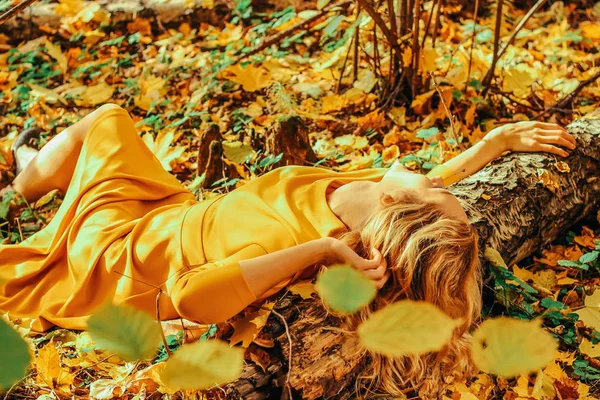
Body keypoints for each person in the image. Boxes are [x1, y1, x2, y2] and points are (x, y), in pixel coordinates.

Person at [0, 104, 575, 392]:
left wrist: (313, 254)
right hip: (170, 209)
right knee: (111, 124)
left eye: (432, 191)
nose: (437, 181)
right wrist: (492, 145)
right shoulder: (373, 195)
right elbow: (430, 191)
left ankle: (18, 182)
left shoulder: (312, 244)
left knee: (106, 121)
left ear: (396, 217)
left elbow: (191, 296)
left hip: (125, 255)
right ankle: (31, 172)